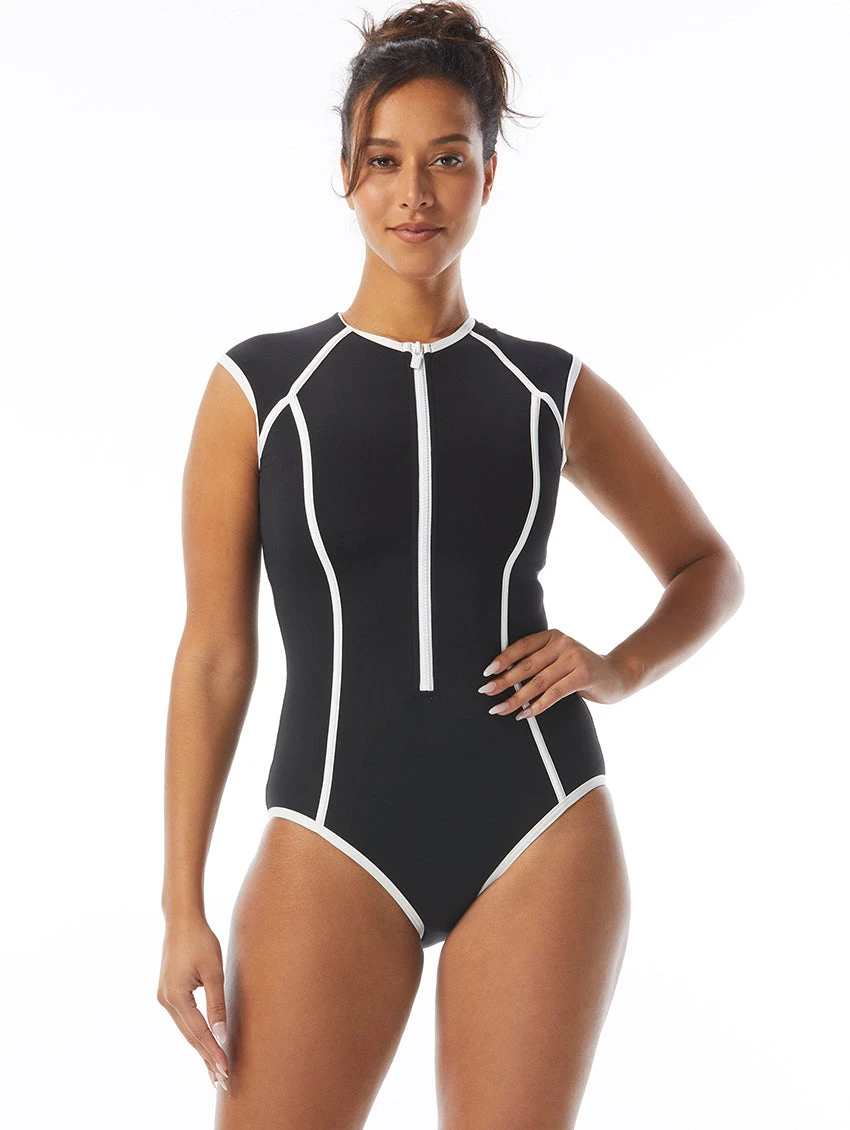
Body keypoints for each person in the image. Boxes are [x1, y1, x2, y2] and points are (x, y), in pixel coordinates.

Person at [157, 3, 745, 1127]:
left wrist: (615, 668)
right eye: (383, 161)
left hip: (541, 823)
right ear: (344, 175)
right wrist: (180, 902)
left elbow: (707, 566)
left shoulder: (547, 387)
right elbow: (216, 656)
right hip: (332, 825)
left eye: (447, 159)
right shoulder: (260, 391)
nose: (414, 194)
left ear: (488, 177)